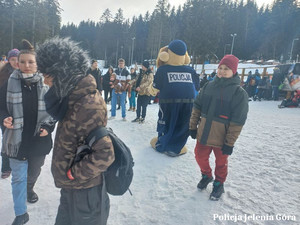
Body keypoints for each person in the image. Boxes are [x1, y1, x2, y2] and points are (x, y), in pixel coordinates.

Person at [36, 37, 115, 225]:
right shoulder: (72, 99)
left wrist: (74, 174)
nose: (45, 80)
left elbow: (105, 154)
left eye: (48, 75)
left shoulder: (87, 105)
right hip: (72, 188)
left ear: (63, 73)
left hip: (85, 193)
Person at [0, 40, 55, 225]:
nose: (26, 65)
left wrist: (48, 128)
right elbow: (0, 108)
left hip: (38, 141)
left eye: (30, 62)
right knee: (18, 178)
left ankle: (29, 188)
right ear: (17, 62)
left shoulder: (47, 85)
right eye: (22, 61)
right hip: (16, 141)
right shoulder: (8, 84)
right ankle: (21, 214)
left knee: (33, 173)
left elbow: (54, 112)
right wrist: (4, 118)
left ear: (37, 63)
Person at [189, 55, 248, 200]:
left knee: (221, 163)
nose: (222, 71)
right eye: (220, 68)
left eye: (226, 69)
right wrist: (193, 126)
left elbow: (238, 121)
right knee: (199, 156)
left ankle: (219, 183)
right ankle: (206, 175)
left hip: (222, 137)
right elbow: (197, 107)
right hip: (204, 132)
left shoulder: (239, 93)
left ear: (233, 71)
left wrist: (230, 142)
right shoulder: (208, 86)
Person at [0, 48, 20, 179]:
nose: (15, 61)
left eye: (17, 59)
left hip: (18, 110)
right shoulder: (3, 73)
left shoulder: (23, 71)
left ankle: (18, 161)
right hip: (4, 110)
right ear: (9, 60)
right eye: (12, 59)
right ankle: (6, 167)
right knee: (7, 138)